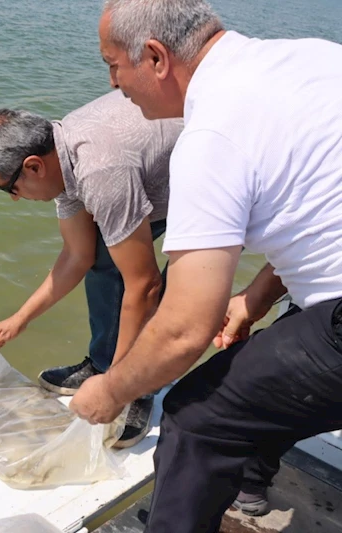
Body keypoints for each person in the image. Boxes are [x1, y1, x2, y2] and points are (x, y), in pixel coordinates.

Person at [70, 0, 342, 531]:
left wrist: (110, 390)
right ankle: (249, 488)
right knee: (271, 364)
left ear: (154, 57)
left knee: (196, 417)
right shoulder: (315, 58)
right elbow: (323, 213)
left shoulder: (212, 134)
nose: (112, 84)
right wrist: (254, 299)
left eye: (113, 65)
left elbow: (183, 330)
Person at [0, 92, 183, 448]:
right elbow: (77, 255)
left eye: (11, 187)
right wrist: (19, 319)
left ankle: (138, 387)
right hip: (151, 177)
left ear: (34, 166)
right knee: (102, 255)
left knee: (176, 287)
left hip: (206, 180)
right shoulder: (62, 155)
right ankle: (103, 364)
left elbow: (143, 286)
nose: (14, 198)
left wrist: (116, 389)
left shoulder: (100, 172)